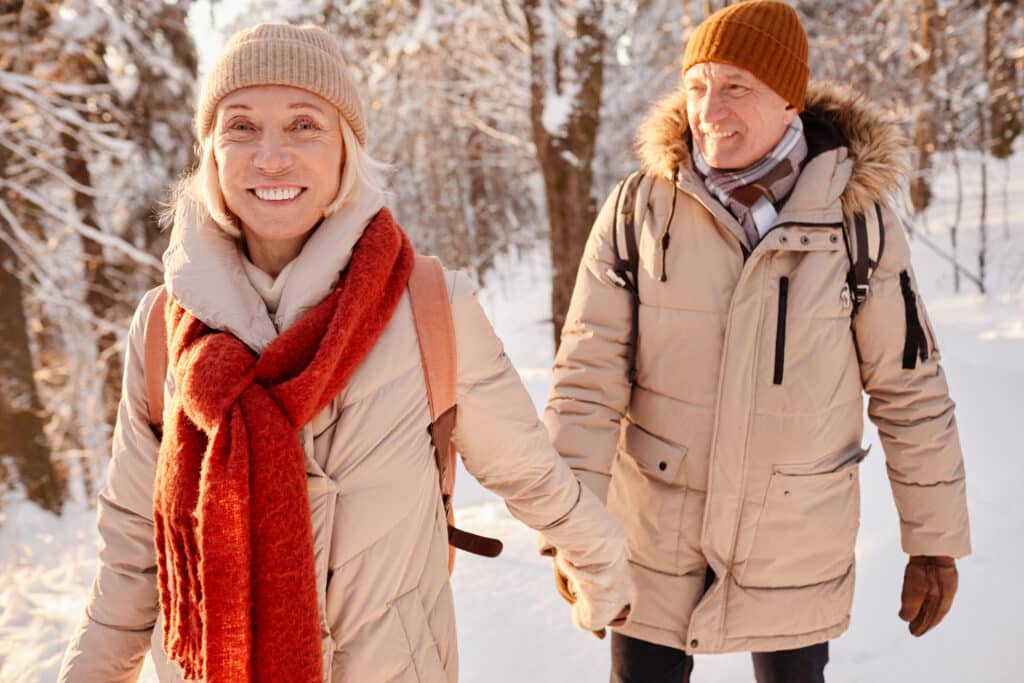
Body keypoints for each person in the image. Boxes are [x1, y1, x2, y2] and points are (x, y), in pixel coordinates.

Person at [58, 22, 632, 683]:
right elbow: (134, 557)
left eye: (304, 125)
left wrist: (602, 563)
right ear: (211, 151)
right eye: (241, 126)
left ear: (345, 151)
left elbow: (530, 472)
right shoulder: (162, 330)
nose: (271, 156)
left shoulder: (428, 305)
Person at [541, 2, 970, 681]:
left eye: (736, 86)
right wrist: (571, 526)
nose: (709, 111)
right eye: (697, 86)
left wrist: (935, 542)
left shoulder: (856, 223)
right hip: (655, 535)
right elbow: (586, 381)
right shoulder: (638, 211)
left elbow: (908, 386)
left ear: (788, 99)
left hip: (795, 535)